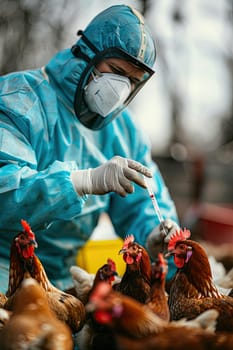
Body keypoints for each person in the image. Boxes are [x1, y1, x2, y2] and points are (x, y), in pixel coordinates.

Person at [0, 4, 179, 294]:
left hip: (60, 279)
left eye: (132, 81)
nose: (121, 88)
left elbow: (144, 198)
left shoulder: (124, 132)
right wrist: (81, 182)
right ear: (86, 54)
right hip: (5, 269)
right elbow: (4, 191)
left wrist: (153, 234)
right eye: (116, 71)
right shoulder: (18, 100)